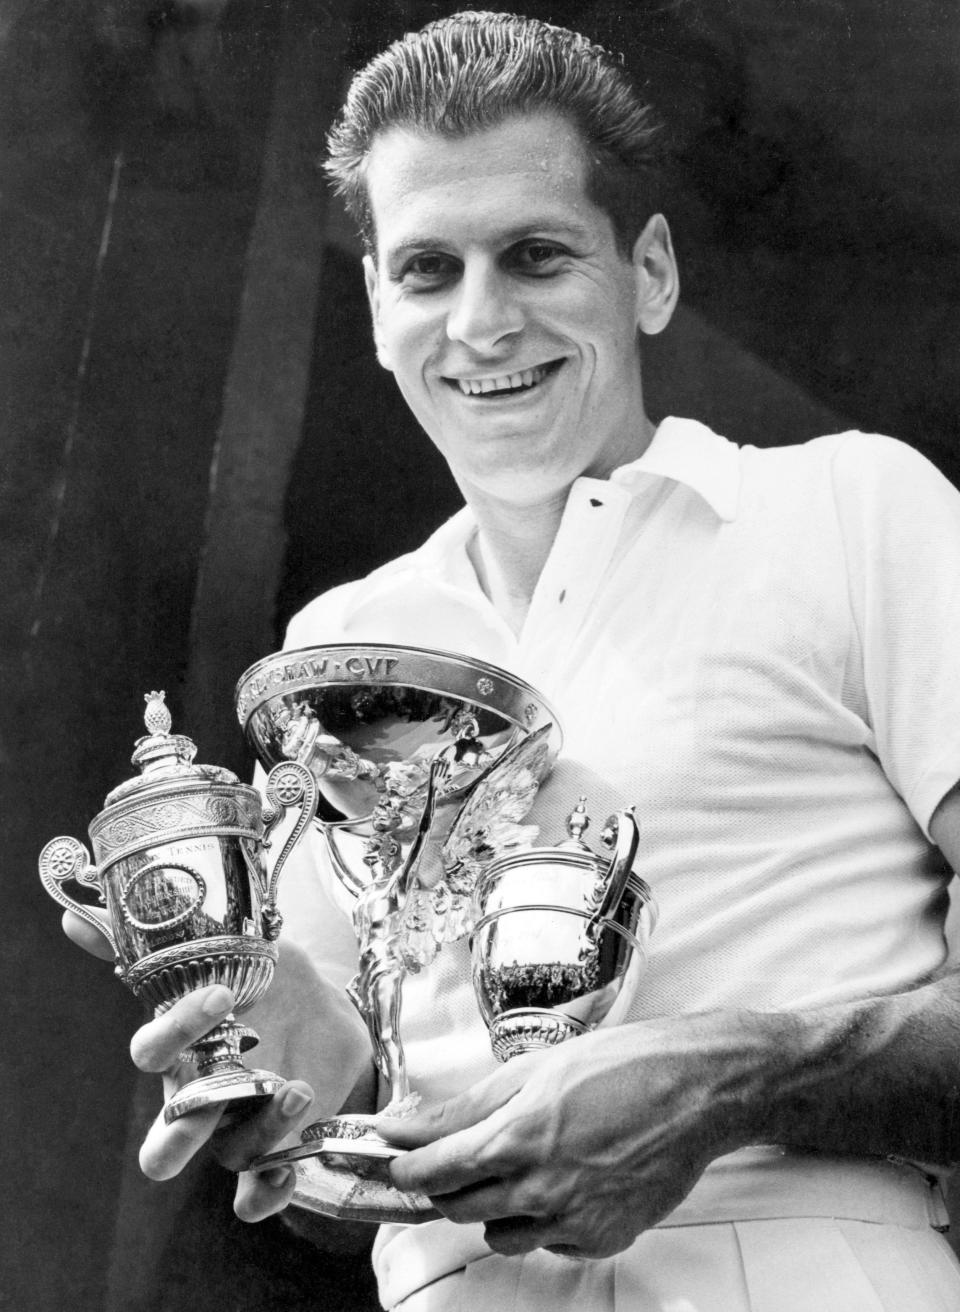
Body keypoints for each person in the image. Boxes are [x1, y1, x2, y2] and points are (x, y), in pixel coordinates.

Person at [65, 11, 960, 1310]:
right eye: (429, 269)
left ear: (648, 271)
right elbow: (351, 1097)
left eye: (535, 255)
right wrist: (252, 1044)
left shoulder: (855, 510)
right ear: (378, 304)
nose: (482, 323)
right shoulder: (341, 643)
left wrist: (726, 1080)